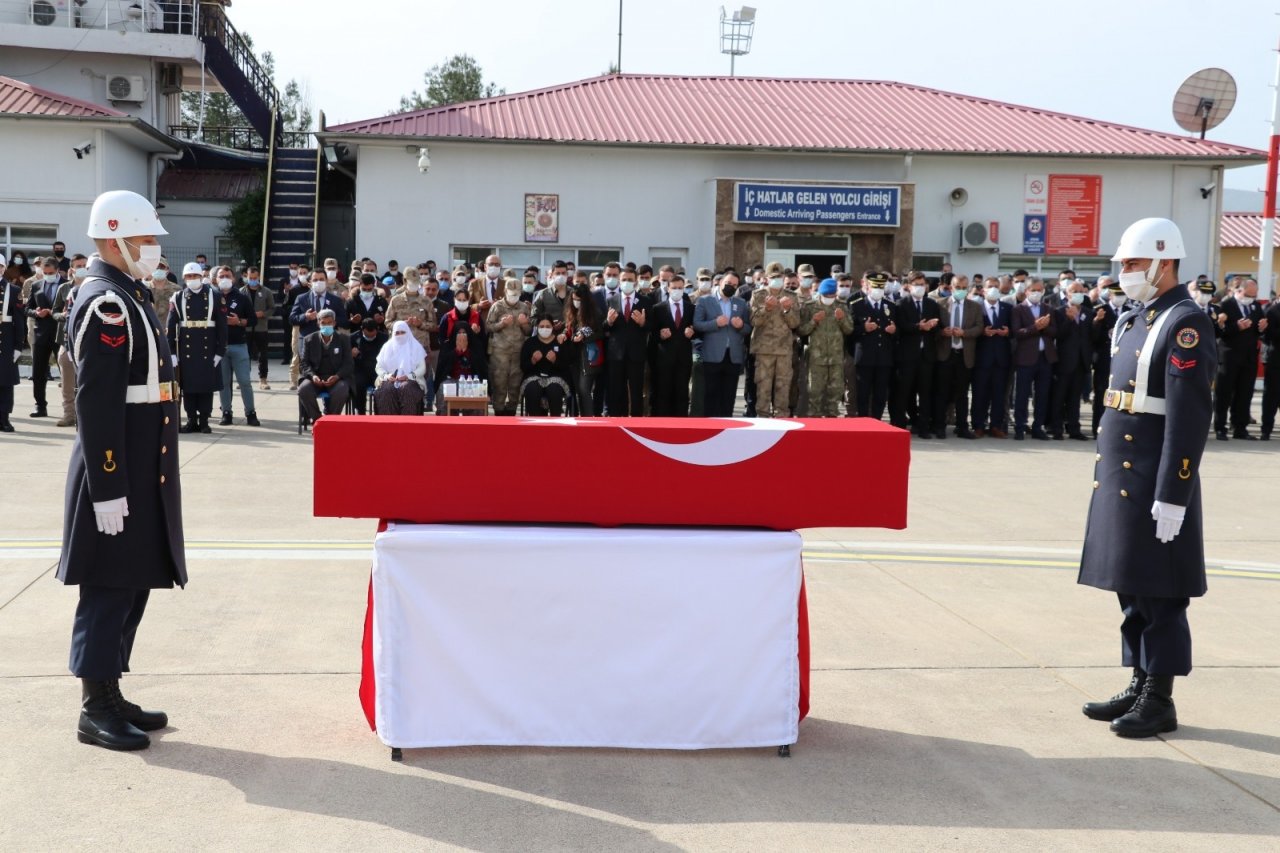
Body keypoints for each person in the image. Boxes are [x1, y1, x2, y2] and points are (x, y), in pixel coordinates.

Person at [1079, 217, 1216, 738]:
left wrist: (1174, 493)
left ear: (1165, 262)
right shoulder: (1136, 318)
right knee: (1131, 585)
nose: (1126, 273)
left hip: (1156, 476)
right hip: (1122, 476)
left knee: (1161, 592)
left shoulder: (1184, 321)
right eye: (1125, 264)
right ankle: (1139, 681)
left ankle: (1159, 697)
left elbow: (1188, 416)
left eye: (1135, 264)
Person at [61, 189, 185, 751]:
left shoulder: (127, 292)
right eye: (145, 239)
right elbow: (97, 401)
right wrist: (107, 487)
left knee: (133, 579)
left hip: (140, 459)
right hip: (117, 466)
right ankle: (94, 704)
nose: (154, 248)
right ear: (114, 239)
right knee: (109, 585)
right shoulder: (106, 302)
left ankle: (111, 688)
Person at [168, 262, 227, 434]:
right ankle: (191, 420)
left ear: (201, 277)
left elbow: (222, 326)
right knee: (189, 388)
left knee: (206, 387)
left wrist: (220, 351)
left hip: (207, 349)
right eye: (188, 277)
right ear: (184, 278)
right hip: (187, 350)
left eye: (195, 276)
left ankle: (204, 421)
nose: (192, 279)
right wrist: (172, 352)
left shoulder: (214, 295)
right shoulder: (177, 297)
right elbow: (171, 327)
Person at [693, 270, 751, 417]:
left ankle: (727, 425)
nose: (731, 287)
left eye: (735, 285)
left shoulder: (741, 303)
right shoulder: (705, 301)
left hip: (733, 356)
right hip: (712, 355)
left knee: (729, 395)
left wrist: (740, 326)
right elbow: (697, 324)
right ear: (719, 282)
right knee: (711, 393)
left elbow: (748, 328)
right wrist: (715, 323)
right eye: (728, 283)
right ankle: (710, 427)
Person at [1213, 278, 1264, 441]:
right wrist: (1236, 327)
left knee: (1245, 393)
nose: (1251, 298)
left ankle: (1240, 427)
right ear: (1239, 291)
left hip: (1249, 357)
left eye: (1254, 295)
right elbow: (1219, 331)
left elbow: (1258, 330)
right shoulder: (1226, 305)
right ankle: (1220, 427)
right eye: (1249, 294)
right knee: (1224, 393)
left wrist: (1262, 328)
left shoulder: (1256, 307)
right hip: (1228, 355)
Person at [748, 262, 801, 418]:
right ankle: (763, 417)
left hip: (784, 349)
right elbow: (754, 321)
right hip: (764, 349)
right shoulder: (758, 295)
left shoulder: (791, 296)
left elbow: (795, 323)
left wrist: (787, 309)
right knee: (763, 386)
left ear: (784, 277)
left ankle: (782, 417)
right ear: (767, 278)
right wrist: (767, 308)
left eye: (779, 277)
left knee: (783, 387)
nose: (777, 279)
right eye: (773, 277)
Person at [932, 275, 982, 439]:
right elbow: (934, 328)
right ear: (951, 288)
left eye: (964, 288)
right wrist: (942, 332)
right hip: (945, 355)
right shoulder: (940, 304)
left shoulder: (974, 306)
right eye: (958, 287)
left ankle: (962, 427)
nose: (961, 290)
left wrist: (964, 333)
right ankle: (939, 426)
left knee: (962, 394)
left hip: (964, 355)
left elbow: (979, 328)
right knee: (941, 393)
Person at [796, 279, 854, 417]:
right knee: (815, 391)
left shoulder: (842, 306)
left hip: (836, 356)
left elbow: (849, 330)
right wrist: (813, 321)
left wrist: (842, 319)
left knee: (835, 390)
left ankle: (832, 418)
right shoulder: (810, 306)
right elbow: (802, 330)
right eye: (827, 295)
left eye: (832, 295)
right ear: (821, 293)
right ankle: (814, 418)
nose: (830, 298)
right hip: (817, 357)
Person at [892, 272, 939, 435]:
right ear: (909, 286)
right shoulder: (901, 304)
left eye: (922, 284)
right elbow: (901, 327)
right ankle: (899, 424)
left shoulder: (932, 304)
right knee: (903, 391)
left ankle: (923, 426)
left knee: (925, 392)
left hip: (926, 355)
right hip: (907, 356)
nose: (920, 287)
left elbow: (938, 327)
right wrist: (919, 327)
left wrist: (934, 326)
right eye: (916, 284)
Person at [1011, 278, 1057, 441]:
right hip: (1025, 358)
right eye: (1034, 290)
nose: (1037, 293)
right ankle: (1019, 427)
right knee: (1022, 395)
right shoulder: (1018, 309)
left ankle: (1038, 426)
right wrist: (1035, 327)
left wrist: (1045, 327)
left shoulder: (1048, 308)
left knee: (1042, 395)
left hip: (1045, 358)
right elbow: (1017, 332)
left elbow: (1054, 332)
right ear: (1026, 291)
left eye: (1040, 290)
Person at [290, 270, 347, 392]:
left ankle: (329, 407)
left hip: (329, 341)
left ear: (326, 281)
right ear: (310, 283)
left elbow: (344, 321)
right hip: (308, 341)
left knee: (329, 373)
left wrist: (332, 320)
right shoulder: (302, 298)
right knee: (307, 375)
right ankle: (308, 406)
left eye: (321, 279)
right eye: (315, 280)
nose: (319, 282)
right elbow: (292, 318)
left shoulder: (335, 300)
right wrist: (305, 317)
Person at [1049, 280, 1092, 440]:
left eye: (1081, 291)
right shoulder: (1059, 311)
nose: (1078, 294)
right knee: (1059, 397)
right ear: (1067, 294)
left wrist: (1096, 323)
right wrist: (1069, 319)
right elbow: (1057, 335)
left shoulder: (1088, 312)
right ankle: (1056, 428)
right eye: (1074, 291)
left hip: (1081, 362)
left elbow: (1091, 337)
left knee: (1075, 398)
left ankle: (1074, 429)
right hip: (1064, 361)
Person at [214, 267, 258, 426]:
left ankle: (250, 413)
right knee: (224, 383)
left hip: (239, 345)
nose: (224, 278)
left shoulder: (242, 297)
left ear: (233, 278)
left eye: (227, 275)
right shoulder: (212, 297)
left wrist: (238, 322)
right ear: (216, 279)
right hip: (219, 348)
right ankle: (226, 412)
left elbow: (253, 320)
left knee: (245, 381)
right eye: (221, 276)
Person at [604, 268, 650, 416]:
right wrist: (608, 322)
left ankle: (636, 421)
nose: (627, 283)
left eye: (630, 280)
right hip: (616, 353)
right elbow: (602, 326)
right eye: (624, 279)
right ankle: (617, 420)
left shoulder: (645, 301)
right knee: (616, 389)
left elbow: (652, 326)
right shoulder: (611, 300)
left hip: (636, 353)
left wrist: (643, 322)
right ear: (619, 281)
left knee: (636, 389)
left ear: (635, 281)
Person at [649, 274, 696, 416]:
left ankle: (681, 423)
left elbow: (697, 330)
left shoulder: (690, 308)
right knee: (663, 392)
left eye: (680, 288)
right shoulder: (658, 308)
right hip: (664, 358)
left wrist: (692, 332)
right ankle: (663, 423)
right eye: (674, 288)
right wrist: (660, 335)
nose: (677, 290)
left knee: (682, 392)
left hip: (683, 357)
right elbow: (652, 333)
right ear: (668, 289)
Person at [853, 273, 897, 421]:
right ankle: (863, 422)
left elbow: (898, 332)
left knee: (880, 394)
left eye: (881, 286)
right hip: (865, 357)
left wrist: (894, 331)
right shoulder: (857, 305)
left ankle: (877, 421)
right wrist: (863, 328)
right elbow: (849, 331)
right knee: (863, 394)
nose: (878, 289)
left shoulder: (890, 306)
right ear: (867, 286)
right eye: (875, 286)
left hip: (884, 358)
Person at [25, 256, 65, 418]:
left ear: (57, 270)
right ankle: (40, 405)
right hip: (41, 333)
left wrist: (59, 314)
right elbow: (27, 309)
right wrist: (37, 313)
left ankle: (70, 408)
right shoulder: (36, 286)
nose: (48, 275)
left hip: (60, 333)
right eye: (45, 272)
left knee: (66, 372)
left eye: (51, 272)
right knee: (38, 372)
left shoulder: (66, 284)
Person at [972, 279, 1012, 437]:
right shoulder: (976, 308)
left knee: (999, 394)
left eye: (996, 287)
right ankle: (978, 425)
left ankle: (996, 425)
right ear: (983, 291)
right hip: (982, 358)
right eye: (990, 287)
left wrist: (1008, 332)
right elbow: (971, 328)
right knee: (979, 393)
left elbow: (1014, 329)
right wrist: (982, 332)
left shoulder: (1008, 308)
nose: (994, 289)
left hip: (1001, 359)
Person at [487, 279, 532, 415]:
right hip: (500, 353)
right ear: (505, 292)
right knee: (499, 383)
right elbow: (488, 326)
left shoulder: (524, 307)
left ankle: (512, 412)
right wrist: (502, 324)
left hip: (518, 352)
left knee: (515, 384)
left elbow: (529, 331)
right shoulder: (497, 306)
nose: (514, 297)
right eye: (512, 294)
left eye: (517, 294)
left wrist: (524, 324)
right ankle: (498, 411)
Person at [53, 255, 89, 427]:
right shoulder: (64, 288)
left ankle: (86, 414)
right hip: (66, 339)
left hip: (88, 340)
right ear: (72, 268)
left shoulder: (94, 286)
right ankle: (69, 414)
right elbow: (55, 311)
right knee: (67, 376)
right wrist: (64, 316)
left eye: (84, 265)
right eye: (78, 265)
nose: (81, 268)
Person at [298, 309, 353, 421]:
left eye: (329, 323)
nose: (326, 326)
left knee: (342, 390)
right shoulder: (309, 339)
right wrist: (313, 376)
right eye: (323, 323)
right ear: (318, 323)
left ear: (334, 323)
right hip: (315, 378)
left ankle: (330, 420)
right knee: (303, 390)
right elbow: (304, 363)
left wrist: (337, 376)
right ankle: (318, 420)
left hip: (336, 378)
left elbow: (348, 363)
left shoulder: (344, 339)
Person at [1089, 282, 1127, 438]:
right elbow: (1092, 337)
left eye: (1122, 295)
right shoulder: (1100, 311)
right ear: (1110, 295)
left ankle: (1118, 429)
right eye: (1117, 295)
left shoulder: (1130, 311)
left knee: (1123, 395)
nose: (1120, 298)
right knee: (1101, 394)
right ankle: (1098, 427)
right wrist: (1097, 322)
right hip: (1104, 359)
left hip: (1124, 360)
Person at [565, 282, 605, 415]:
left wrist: (584, 335)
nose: (576, 302)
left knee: (584, 389)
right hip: (574, 356)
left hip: (589, 357)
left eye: (579, 300)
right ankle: (581, 418)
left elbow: (600, 332)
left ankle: (588, 418)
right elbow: (570, 331)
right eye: (574, 299)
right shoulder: (571, 312)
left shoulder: (594, 313)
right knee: (578, 391)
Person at [520, 317, 572, 416]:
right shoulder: (530, 343)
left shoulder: (559, 341)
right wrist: (533, 361)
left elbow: (566, 365)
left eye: (548, 326)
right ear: (537, 327)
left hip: (556, 377)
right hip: (533, 377)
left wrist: (555, 361)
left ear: (553, 327)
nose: (545, 329)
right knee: (532, 390)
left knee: (554, 390)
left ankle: (555, 423)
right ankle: (535, 424)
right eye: (542, 326)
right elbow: (523, 366)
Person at [0, 253, 28, 433]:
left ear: (3, 268)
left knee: (5, 383)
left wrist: (18, 346)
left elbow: (19, 322)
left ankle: (4, 418)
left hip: (5, 343)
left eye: (0, 266)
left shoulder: (13, 290)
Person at [373, 320, 426, 415]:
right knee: (387, 391)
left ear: (408, 332)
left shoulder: (416, 347)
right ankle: (389, 425)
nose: (400, 335)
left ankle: (408, 425)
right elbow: (379, 367)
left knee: (406, 389)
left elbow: (422, 369)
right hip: (389, 379)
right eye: (397, 333)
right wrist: (387, 376)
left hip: (412, 380)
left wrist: (408, 376)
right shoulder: (387, 347)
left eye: (403, 332)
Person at [241, 267, 274, 390]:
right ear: (246, 276)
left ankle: (263, 380)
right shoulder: (241, 291)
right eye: (250, 278)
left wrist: (263, 314)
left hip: (261, 328)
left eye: (255, 278)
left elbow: (272, 308)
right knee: (244, 355)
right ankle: (244, 379)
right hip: (246, 328)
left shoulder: (266, 291)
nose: (253, 280)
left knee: (263, 355)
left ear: (259, 277)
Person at [350, 318, 388, 414]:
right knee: (358, 384)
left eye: (373, 334)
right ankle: (360, 411)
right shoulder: (353, 338)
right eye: (367, 334)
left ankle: (379, 412)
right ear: (362, 330)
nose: (370, 336)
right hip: (360, 369)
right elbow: (345, 357)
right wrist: (350, 354)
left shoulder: (384, 338)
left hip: (377, 370)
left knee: (382, 385)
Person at [1262, 294, 1280, 440]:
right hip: (1275, 360)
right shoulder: (1273, 311)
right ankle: (1266, 430)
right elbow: (1267, 336)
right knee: (1271, 396)